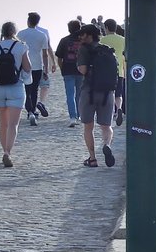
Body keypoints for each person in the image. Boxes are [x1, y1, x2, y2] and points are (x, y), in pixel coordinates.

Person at [0, 21, 32, 167]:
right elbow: (27, 67)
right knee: (13, 125)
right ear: (14, 32)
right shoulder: (21, 46)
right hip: (16, 87)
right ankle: (7, 152)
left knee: (3, 124)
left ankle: (4, 150)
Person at [77, 23, 117, 168]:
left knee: (88, 127)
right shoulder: (107, 50)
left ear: (89, 35)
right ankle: (107, 145)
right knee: (106, 126)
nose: (80, 37)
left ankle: (92, 159)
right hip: (107, 92)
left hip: (89, 91)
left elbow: (82, 70)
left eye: (82, 34)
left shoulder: (84, 50)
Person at [17, 12, 53, 126]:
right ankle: (33, 111)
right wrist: (46, 70)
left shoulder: (21, 34)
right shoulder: (42, 35)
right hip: (37, 65)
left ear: (28, 21)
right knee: (34, 89)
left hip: (24, 65)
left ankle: (30, 111)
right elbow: (45, 54)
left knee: (27, 89)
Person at [54, 19, 84, 127]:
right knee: (80, 95)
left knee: (70, 95)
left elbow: (59, 58)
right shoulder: (83, 41)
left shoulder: (64, 40)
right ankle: (80, 115)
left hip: (68, 70)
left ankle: (72, 117)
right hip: (81, 71)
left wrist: (62, 69)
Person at [102, 19, 127, 126]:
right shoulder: (123, 40)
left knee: (108, 93)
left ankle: (110, 113)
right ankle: (119, 109)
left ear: (106, 27)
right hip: (120, 70)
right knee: (118, 93)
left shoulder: (102, 40)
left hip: (106, 72)